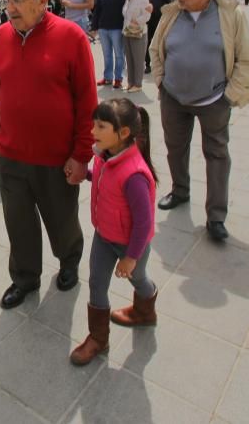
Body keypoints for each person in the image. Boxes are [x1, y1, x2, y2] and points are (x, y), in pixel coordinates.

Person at [0, 0, 97, 309]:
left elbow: (87, 102)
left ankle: (68, 264)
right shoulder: (1, 37)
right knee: (18, 223)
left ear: (42, 0)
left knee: (62, 220)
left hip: (57, 158)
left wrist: (81, 155)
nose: (10, 8)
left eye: (18, 0)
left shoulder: (71, 37)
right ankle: (24, 278)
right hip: (12, 155)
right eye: (7, 0)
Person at [150, 0, 249, 241]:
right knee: (175, 148)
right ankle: (180, 190)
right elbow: (156, 48)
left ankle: (216, 216)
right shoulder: (172, 13)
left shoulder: (230, 14)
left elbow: (246, 60)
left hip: (213, 100)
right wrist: (161, 81)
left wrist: (229, 96)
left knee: (217, 154)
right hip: (174, 97)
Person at [69, 98, 158, 366]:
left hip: (131, 245)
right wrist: (82, 174)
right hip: (104, 237)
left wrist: (131, 257)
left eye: (100, 126)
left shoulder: (135, 175)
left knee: (138, 278)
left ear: (123, 133)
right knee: (97, 282)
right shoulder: (105, 156)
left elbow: (144, 223)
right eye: (94, 124)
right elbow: (101, 176)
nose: (93, 131)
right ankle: (98, 338)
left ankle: (145, 311)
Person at [92, 0, 126, 88]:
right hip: (103, 29)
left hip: (117, 28)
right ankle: (107, 78)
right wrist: (95, 27)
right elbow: (97, 11)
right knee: (107, 55)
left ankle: (118, 78)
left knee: (119, 54)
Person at [121, 0, 152, 93]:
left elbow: (147, 15)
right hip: (127, 31)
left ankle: (138, 84)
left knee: (138, 59)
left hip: (138, 32)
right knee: (129, 58)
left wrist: (136, 21)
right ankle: (131, 82)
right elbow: (125, 11)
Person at [141, 0, 172, 74]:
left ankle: (163, 64)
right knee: (147, 43)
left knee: (161, 43)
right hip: (148, 21)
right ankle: (148, 64)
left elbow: (169, 3)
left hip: (161, 20)